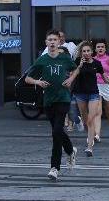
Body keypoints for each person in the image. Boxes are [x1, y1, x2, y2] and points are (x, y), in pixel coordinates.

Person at [25, 29, 78, 180]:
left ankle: (54, 168)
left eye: (55, 40)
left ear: (59, 42)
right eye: (50, 40)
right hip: (48, 100)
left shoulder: (65, 58)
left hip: (63, 98)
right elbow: (28, 78)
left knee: (56, 132)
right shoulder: (42, 60)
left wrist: (70, 79)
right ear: (46, 43)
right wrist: (38, 82)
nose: (53, 42)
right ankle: (70, 150)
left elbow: (75, 70)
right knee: (57, 132)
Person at [70, 42, 104, 157]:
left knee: (90, 120)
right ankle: (92, 134)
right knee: (85, 122)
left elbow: (104, 78)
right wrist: (79, 66)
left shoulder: (97, 63)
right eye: (84, 51)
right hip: (80, 94)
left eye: (88, 51)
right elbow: (72, 76)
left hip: (93, 94)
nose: (86, 53)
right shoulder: (77, 62)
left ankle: (89, 147)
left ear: (92, 52)